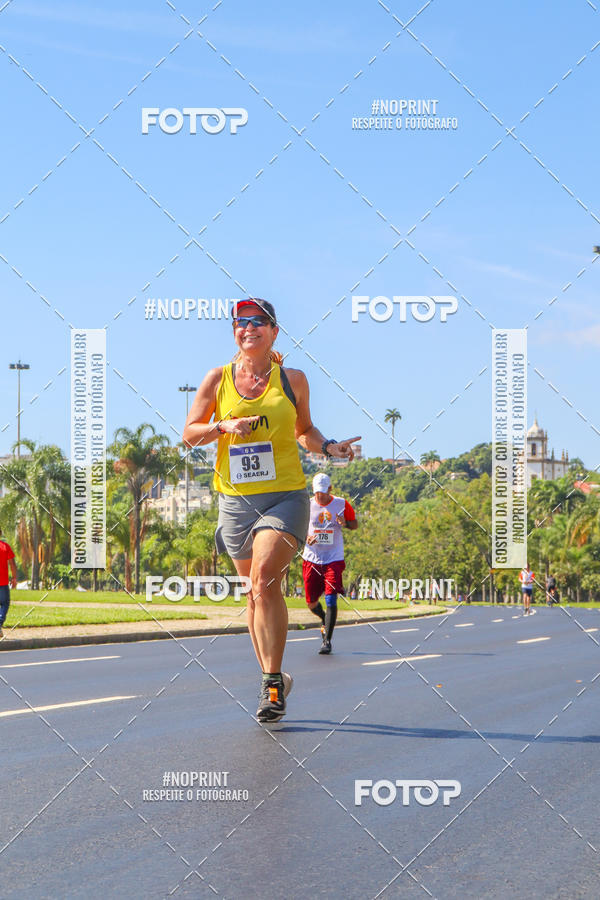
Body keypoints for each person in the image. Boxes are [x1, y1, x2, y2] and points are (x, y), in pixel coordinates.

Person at [182, 298, 360, 723]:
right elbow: (190, 434)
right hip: (235, 502)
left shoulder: (292, 379)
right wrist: (221, 426)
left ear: (274, 331)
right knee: (255, 593)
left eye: (258, 322)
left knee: (263, 579)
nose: (249, 328)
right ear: (234, 332)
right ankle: (271, 675)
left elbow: (304, 432)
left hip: (285, 497)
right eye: (241, 322)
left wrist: (330, 448)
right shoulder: (217, 379)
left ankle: (273, 683)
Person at [302, 472, 358, 654]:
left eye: (324, 492)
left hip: (334, 557)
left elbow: (355, 524)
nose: (320, 496)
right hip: (312, 557)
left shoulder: (341, 504)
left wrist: (345, 523)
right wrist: (306, 537)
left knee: (331, 597)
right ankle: (324, 618)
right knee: (311, 603)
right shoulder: (308, 505)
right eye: (317, 492)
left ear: (330, 489)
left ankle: (327, 641)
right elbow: (298, 527)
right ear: (313, 490)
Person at [0, 530, 17, 639]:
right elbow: (12, 563)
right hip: (3, 583)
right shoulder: (5, 547)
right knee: (5, 603)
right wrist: (14, 578)